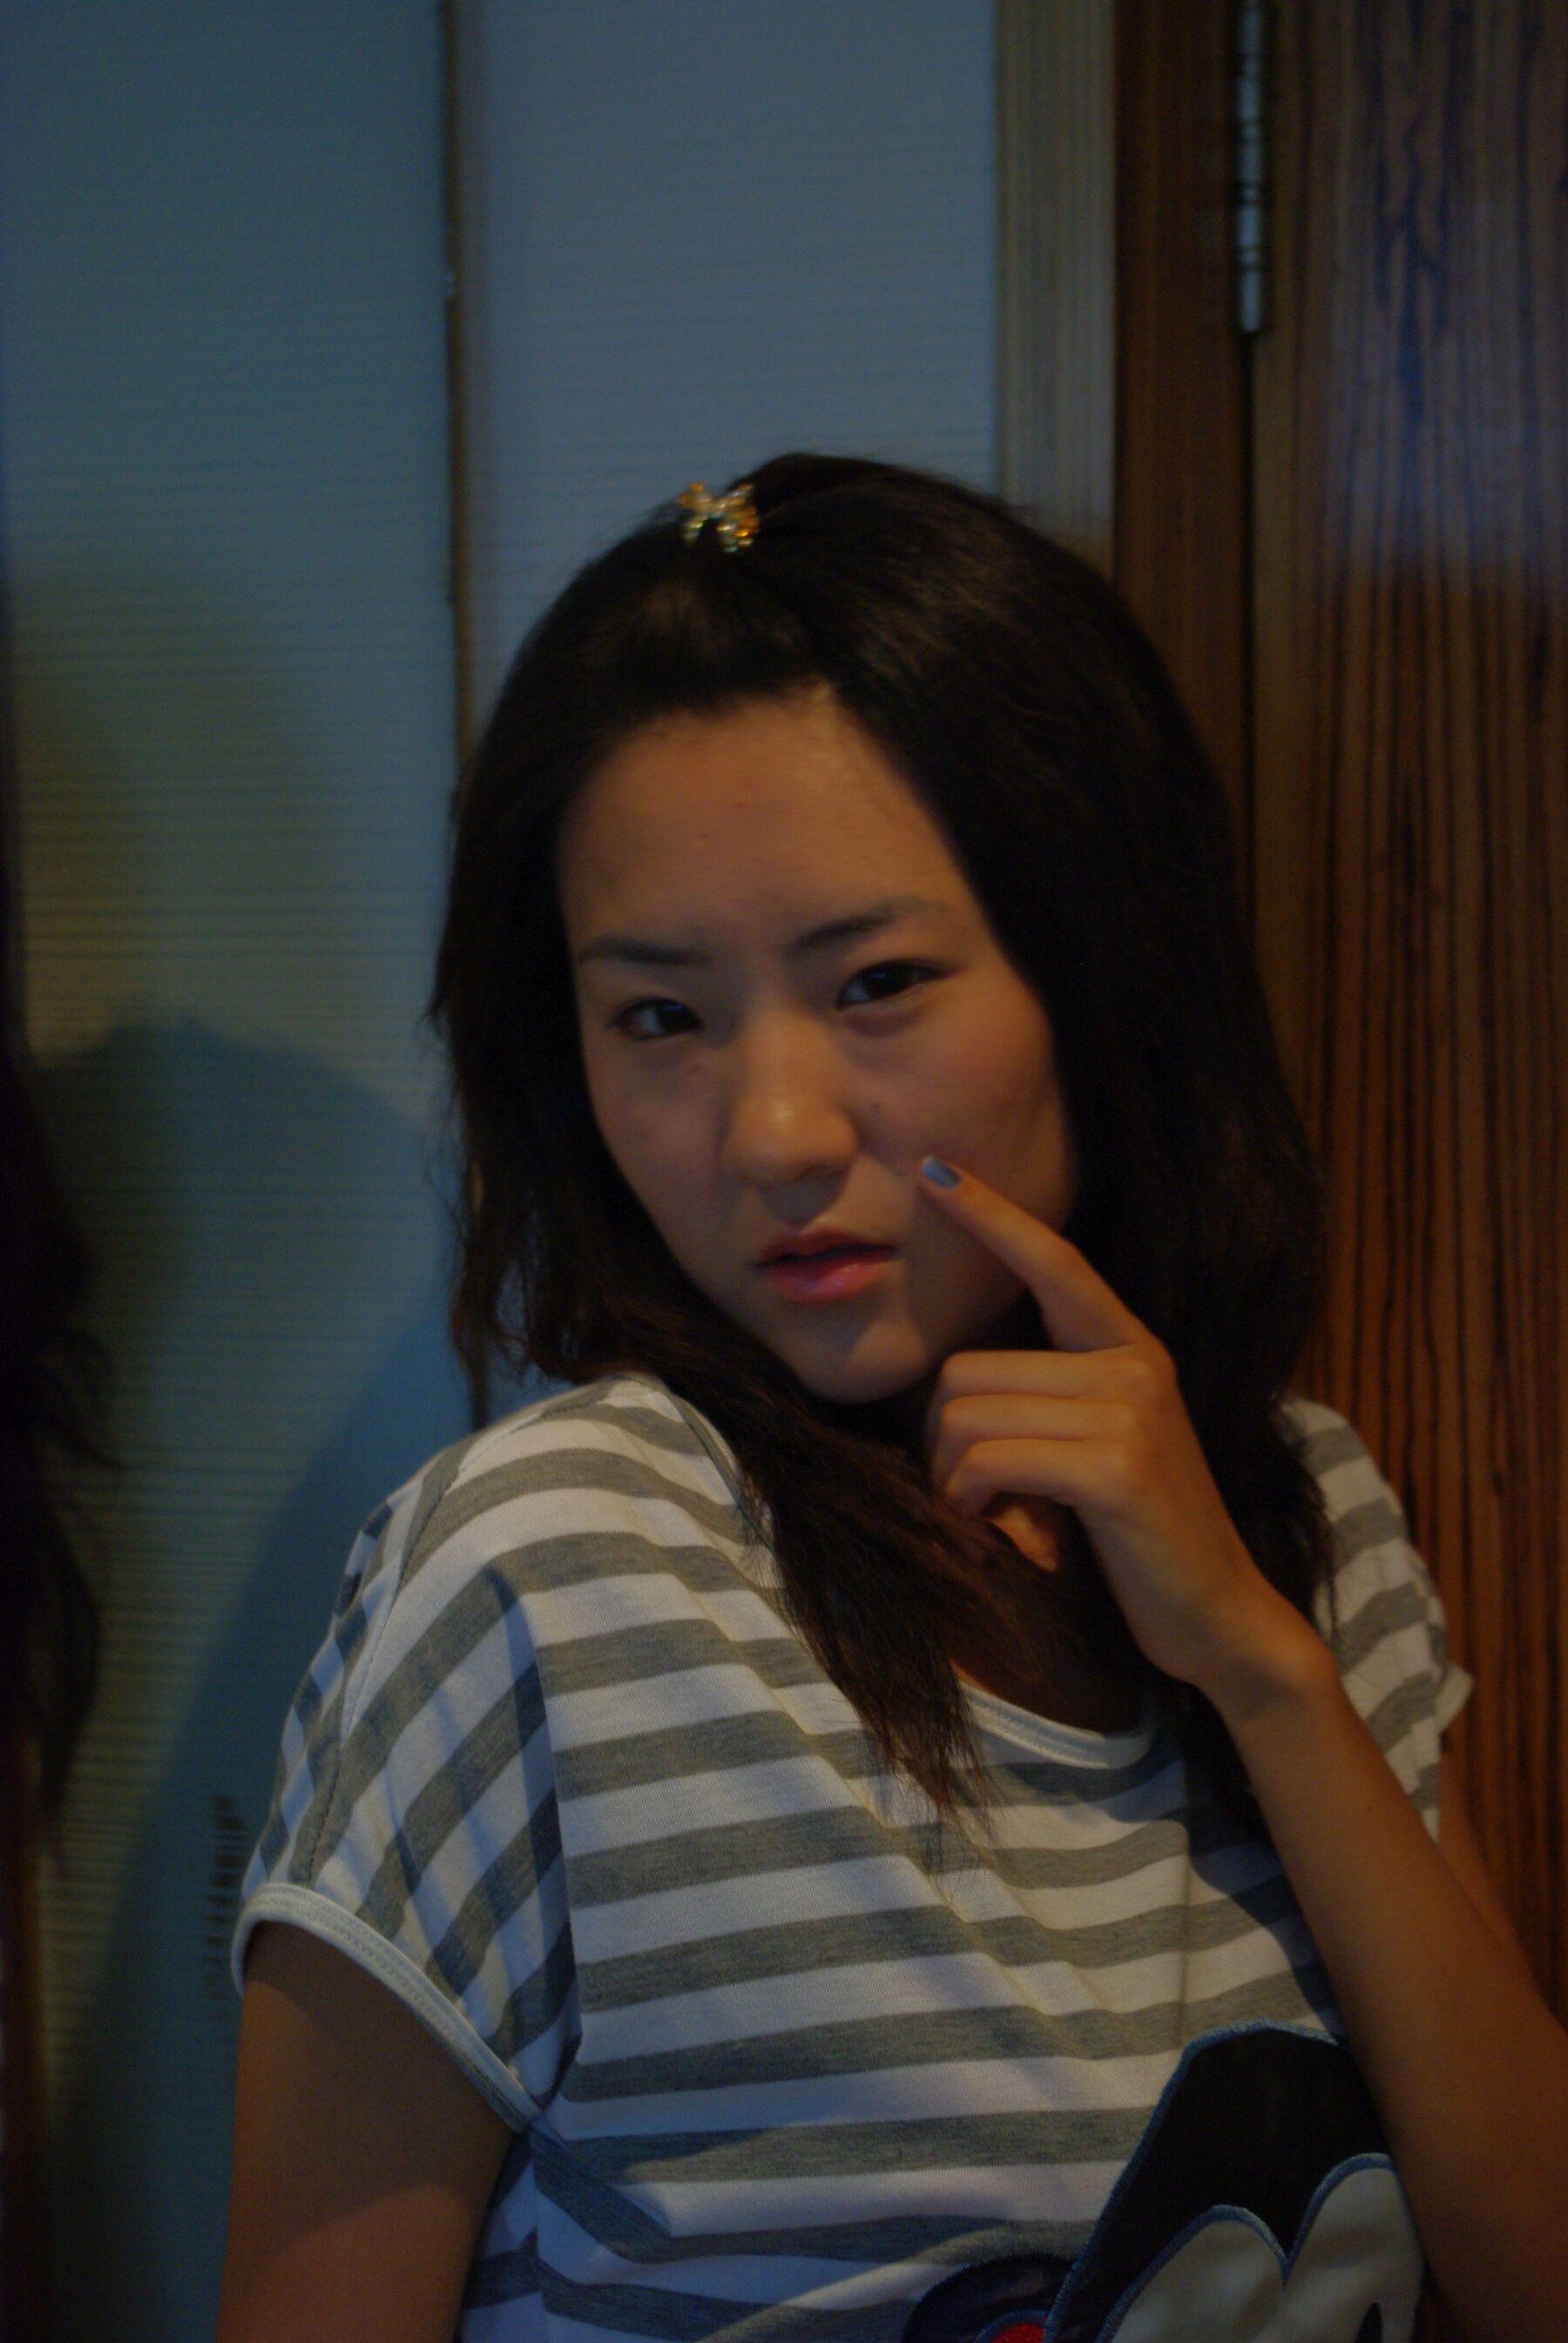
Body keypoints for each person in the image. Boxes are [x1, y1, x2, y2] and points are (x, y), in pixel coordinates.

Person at [215, 456, 1568, 2343]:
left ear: (1101, 966)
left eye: (875, 982)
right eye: (661, 1015)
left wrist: (1265, 1670)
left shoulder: (1305, 1514)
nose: (774, 1133)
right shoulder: (537, 1574)